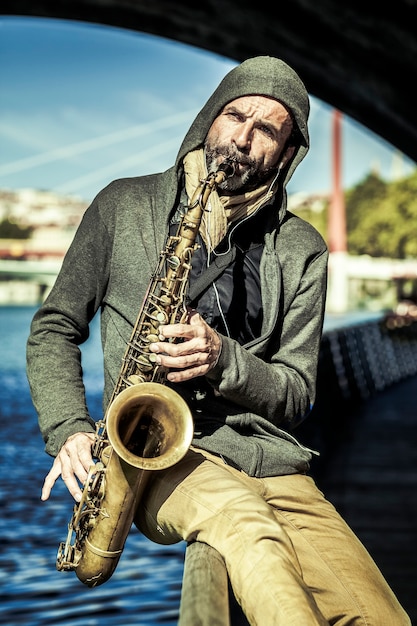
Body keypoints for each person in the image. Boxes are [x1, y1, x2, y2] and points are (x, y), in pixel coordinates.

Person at [27, 56, 410, 625]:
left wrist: (221, 358)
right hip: (160, 462)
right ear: (211, 116)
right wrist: (69, 429)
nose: (243, 138)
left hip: (276, 466)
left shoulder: (303, 249)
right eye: (234, 116)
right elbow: (54, 328)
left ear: (287, 153)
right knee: (250, 534)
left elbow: (298, 394)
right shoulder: (122, 205)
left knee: (375, 613)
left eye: (268, 131)